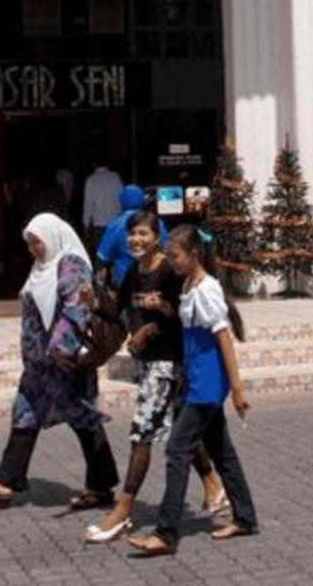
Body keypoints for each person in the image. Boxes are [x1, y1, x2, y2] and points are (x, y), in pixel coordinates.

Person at [83, 211, 226, 544]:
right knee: (179, 428)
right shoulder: (134, 271)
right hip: (147, 364)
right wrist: (94, 301)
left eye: (143, 234)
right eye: (132, 234)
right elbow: (117, 310)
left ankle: (123, 509)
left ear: (157, 236)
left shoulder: (168, 271)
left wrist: (151, 326)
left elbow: (185, 316)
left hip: (169, 364)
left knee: (142, 434)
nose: (136, 240)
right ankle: (212, 484)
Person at [0, 214, 119, 510]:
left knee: (82, 417)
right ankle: (7, 479)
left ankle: (101, 484)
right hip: (38, 364)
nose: (33, 249)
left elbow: (75, 310)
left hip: (61, 361)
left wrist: (59, 348)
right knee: (25, 413)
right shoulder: (41, 267)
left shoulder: (71, 265)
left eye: (37, 242)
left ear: (51, 237)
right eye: (30, 243)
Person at [127, 224, 258, 557]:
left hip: (207, 382)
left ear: (194, 254)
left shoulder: (207, 289)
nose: (172, 262)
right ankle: (245, 518)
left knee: (176, 450)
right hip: (195, 378)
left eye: (176, 256)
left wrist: (237, 388)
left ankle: (165, 533)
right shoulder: (189, 284)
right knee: (222, 452)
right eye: (169, 256)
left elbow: (223, 338)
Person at [96, 184, 164, 287]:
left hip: (122, 281)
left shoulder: (115, 225)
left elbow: (102, 256)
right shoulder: (156, 222)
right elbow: (167, 249)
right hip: (154, 278)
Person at [82, 162, 123, 237]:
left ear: (94, 165)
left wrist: (86, 225)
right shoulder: (115, 177)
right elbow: (121, 200)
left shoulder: (91, 180)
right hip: (114, 222)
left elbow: (88, 204)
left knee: (100, 247)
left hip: (98, 223)